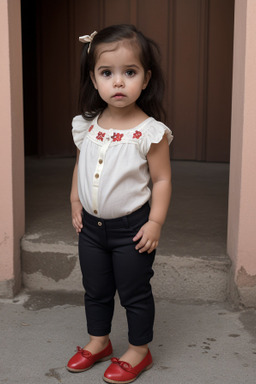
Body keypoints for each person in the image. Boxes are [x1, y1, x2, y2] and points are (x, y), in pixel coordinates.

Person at [67, 24, 173, 383]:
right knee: (95, 288)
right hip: (92, 230)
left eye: (129, 73)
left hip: (132, 229)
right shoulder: (88, 125)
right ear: (93, 79)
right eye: (106, 73)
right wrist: (74, 200)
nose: (118, 82)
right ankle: (99, 341)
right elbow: (82, 164)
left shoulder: (149, 132)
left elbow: (161, 180)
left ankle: (139, 350)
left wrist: (155, 222)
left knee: (134, 291)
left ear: (146, 79)